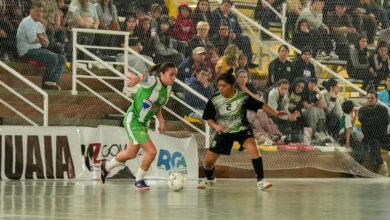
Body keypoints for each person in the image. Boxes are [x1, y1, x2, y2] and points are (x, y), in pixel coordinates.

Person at [199, 70, 287, 190]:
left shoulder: (243, 97)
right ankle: (209, 179)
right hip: (224, 132)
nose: (220, 88)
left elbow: (261, 105)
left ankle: (261, 181)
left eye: (224, 85)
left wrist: (275, 113)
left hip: (242, 130)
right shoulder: (215, 99)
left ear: (232, 86)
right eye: (219, 85)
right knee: (208, 162)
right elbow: (208, 119)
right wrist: (216, 126)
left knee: (253, 149)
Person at [101, 62, 177, 190]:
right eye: (171, 75)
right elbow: (143, 78)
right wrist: (136, 79)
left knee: (131, 154)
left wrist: (161, 120)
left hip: (144, 123)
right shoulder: (153, 82)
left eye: (175, 75)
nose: (174, 78)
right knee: (152, 152)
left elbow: (157, 106)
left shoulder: (168, 88)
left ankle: (106, 167)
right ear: (161, 74)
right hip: (134, 120)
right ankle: (139, 181)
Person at [16, 1, 66, 90]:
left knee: (62, 59)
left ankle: (52, 82)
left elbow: (46, 42)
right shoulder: (27, 21)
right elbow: (33, 40)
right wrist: (41, 38)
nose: (39, 13)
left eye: (41, 11)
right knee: (53, 58)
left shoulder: (39, 24)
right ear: (31, 11)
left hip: (38, 49)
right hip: (26, 51)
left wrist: (41, 37)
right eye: (37, 11)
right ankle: (45, 83)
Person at [359, 91, 390, 176]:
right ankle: (382, 166)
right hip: (369, 137)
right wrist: (377, 121)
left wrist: (370, 121)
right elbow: (362, 120)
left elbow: (386, 121)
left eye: (372, 98)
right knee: (374, 144)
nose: (369, 100)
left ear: (376, 99)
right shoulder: (362, 110)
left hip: (382, 136)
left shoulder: (383, 109)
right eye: (368, 98)